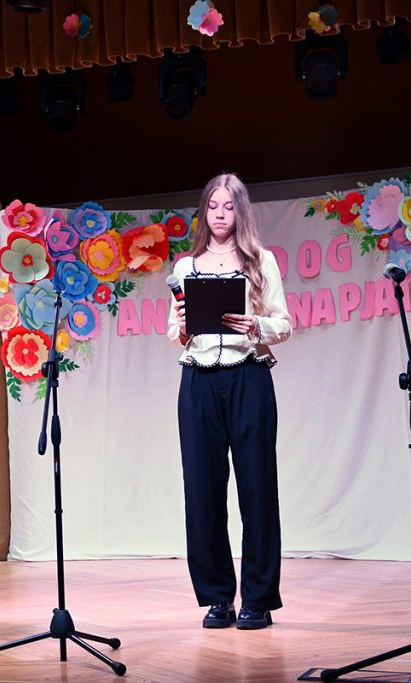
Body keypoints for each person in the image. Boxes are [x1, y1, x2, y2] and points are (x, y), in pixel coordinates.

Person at [166, 173, 292, 630]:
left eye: (229, 206)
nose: (220, 215)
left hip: (248, 377)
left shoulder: (261, 260)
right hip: (198, 381)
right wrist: (183, 326)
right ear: (204, 211)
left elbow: (284, 324)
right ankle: (218, 597)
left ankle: (258, 599)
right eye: (213, 206)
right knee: (202, 490)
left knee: (257, 488)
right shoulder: (186, 266)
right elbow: (174, 333)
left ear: (241, 211)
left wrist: (255, 325)